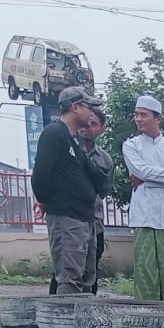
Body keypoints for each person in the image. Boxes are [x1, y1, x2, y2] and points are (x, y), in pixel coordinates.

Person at [30, 85, 108, 296]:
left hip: (85, 219)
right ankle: (64, 326)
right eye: (88, 107)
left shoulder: (74, 139)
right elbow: (40, 177)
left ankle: (82, 326)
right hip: (66, 218)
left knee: (86, 278)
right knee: (69, 277)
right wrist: (44, 200)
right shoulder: (55, 134)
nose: (92, 113)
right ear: (75, 107)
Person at [122, 94, 164, 303]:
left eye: (143, 115)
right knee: (145, 271)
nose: (138, 119)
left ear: (157, 118)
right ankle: (145, 317)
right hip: (144, 215)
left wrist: (153, 177)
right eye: (136, 115)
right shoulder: (131, 145)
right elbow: (140, 171)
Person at [79, 108, 112, 295]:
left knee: (91, 273)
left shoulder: (104, 159)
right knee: (67, 272)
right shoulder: (68, 151)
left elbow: (105, 190)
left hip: (95, 223)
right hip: (72, 221)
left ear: (101, 129)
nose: (86, 128)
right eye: (84, 123)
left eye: (93, 125)